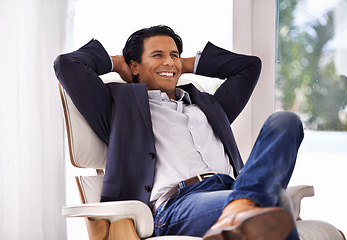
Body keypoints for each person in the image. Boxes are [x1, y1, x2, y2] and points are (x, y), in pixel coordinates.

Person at [54, 25, 304, 240]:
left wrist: (183, 65)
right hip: (179, 205)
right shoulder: (120, 107)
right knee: (277, 203)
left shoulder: (210, 106)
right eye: (158, 55)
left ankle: (241, 207)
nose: (169, 61)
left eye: (174, 55)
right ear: (135, 65)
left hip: (233, 188)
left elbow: (249, 66)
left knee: (285, 121)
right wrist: (118, 63)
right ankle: (245, 206)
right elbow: (67, 64)